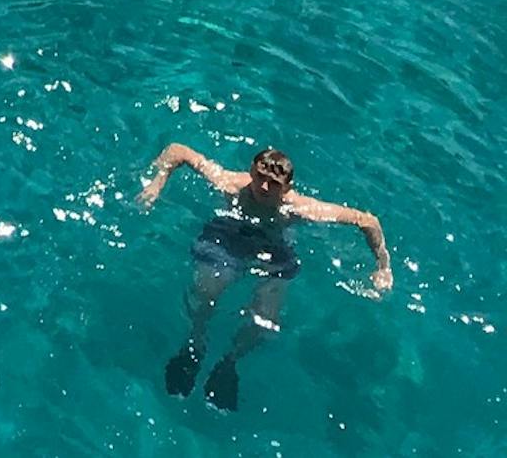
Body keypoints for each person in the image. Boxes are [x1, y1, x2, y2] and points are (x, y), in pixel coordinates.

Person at [142, 141, 392, 411]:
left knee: (264, 322)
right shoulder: (230, 184)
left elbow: (366, 220)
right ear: (251, 170)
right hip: (229, 235)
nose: (263, 187)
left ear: (287, 188)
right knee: (205, 294)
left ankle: (229, 363)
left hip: (274, 249)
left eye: (273, 183)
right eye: (260, 177)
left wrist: (383, 265)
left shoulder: (298, 208)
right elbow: (178, 150)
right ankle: (195, 343)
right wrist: (157, 181)